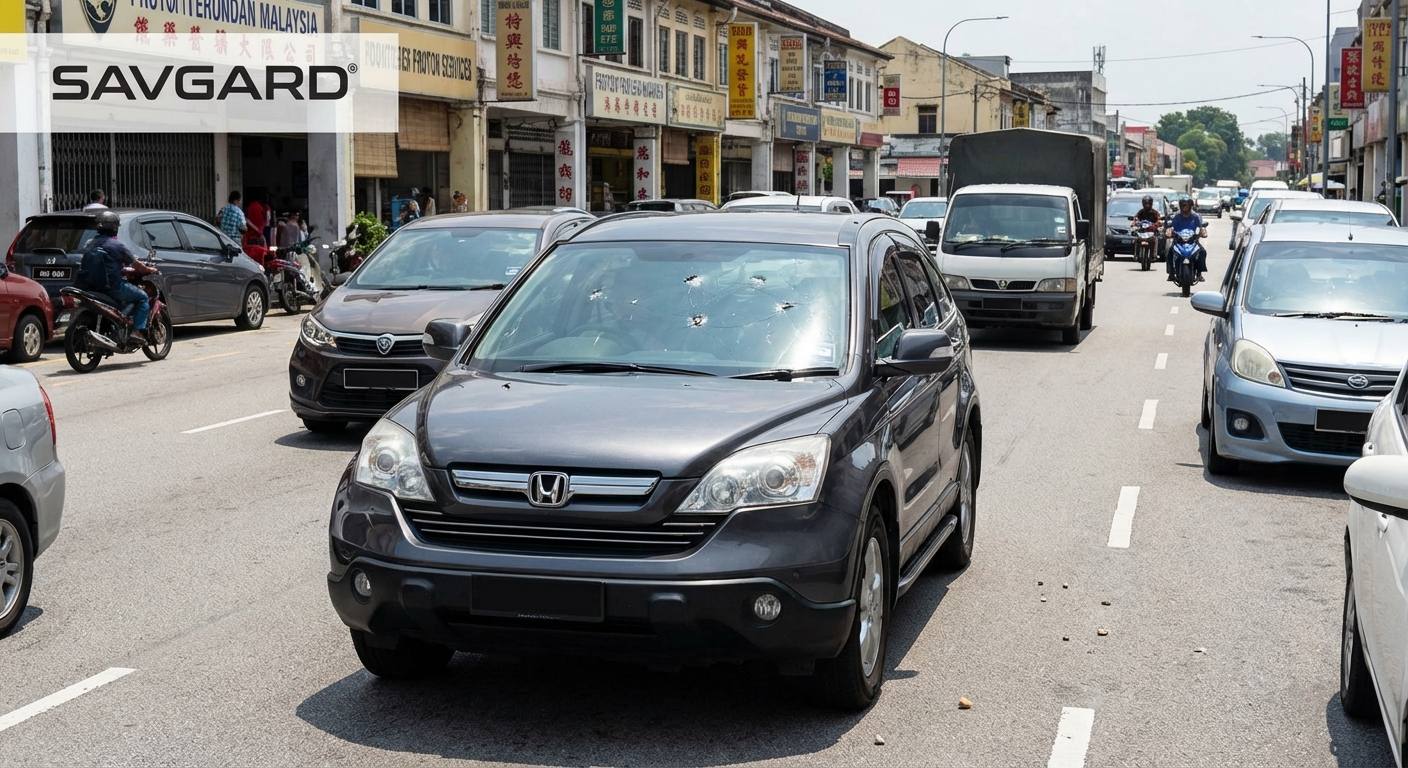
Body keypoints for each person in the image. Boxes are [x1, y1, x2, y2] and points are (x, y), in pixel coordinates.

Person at [75, 210, 151, 343]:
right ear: (115, 228)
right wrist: (149, 269)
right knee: (143, 298)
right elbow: (137, 266)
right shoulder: (117, 245)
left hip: (89, 287)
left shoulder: (89, 243)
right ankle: (137, 332)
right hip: (112, 288)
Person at [1163, 197, 1208, 282]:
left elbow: (1201, 227)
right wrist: (1168, 232)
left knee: (1202, 252)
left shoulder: (1196, 216)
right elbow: (1170, 226)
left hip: (1193, 241)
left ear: (1191, 205)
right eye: (1183, 205)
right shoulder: (1176, 216)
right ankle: (1171, 273)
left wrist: (1203, 232)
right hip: (1178, 241)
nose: (1184, 207)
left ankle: (1199, 273)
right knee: (1169, 252)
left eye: (1186, 205)